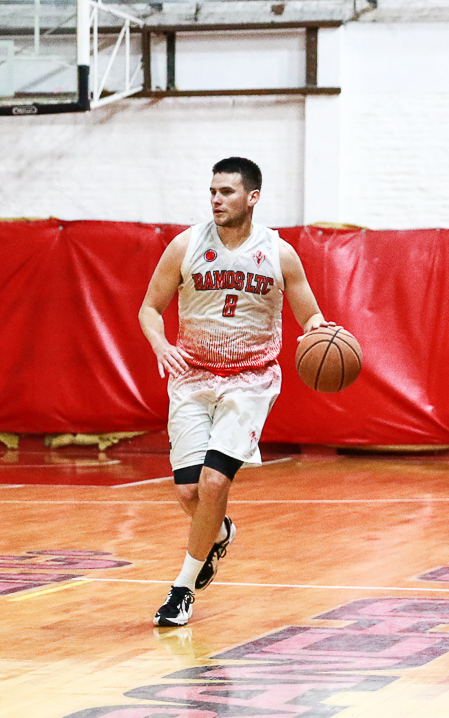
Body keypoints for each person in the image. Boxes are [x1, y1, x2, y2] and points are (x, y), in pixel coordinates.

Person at [139, 157, 333, 626]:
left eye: (226, 192)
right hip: (191, 377)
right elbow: (149, 308)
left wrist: (321, 334)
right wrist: (161, 343)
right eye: (212, 191)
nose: (216, 200)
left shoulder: (278, 253)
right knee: (189, 493)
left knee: (214, 482)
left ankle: (181, 590)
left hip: (250, 380)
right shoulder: (185, 245)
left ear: (252, 198)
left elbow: (310, 314)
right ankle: (218, 532)